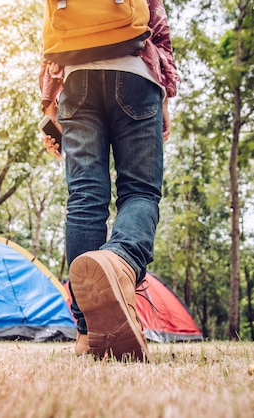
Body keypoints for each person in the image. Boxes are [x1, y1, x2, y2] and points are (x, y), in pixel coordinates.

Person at [39, 0, 179, 361]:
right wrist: (165, 94)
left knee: (85, 197)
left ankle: (87, 333)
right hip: (135, 74)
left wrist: (47, 103)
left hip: (75, 81)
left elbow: (51, 38)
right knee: (140, 192)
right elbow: (158, 28)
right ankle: (118, 261)